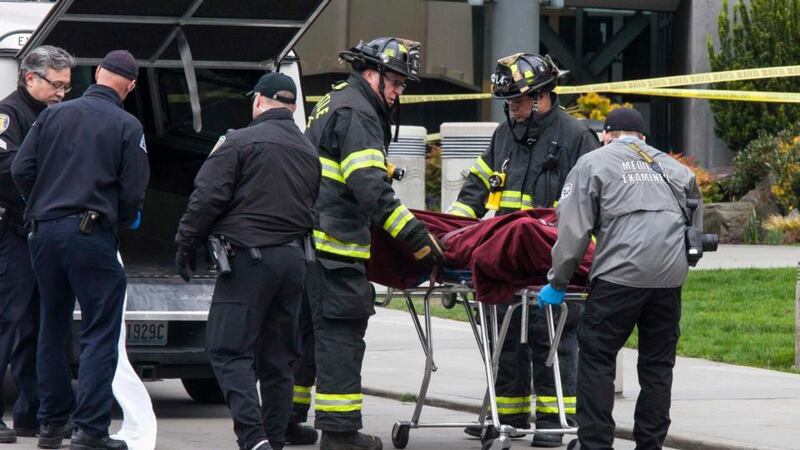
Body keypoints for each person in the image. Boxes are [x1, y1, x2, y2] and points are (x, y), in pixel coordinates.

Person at [450, 53, 599, 447]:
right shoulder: (504, 135)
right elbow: (476, 188)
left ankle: (554, 421)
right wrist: (456, 231)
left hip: (550, 260)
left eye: (517, 100)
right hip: (504, 261)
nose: (512, 108)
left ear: (542, 97)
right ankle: (509, 417)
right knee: (504, 338)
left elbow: (589, 206)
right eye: (509, 101)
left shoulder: (575, 137)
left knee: (551, 341)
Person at [304, 36, 445, 450]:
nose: (399, 92)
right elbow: (369, 184)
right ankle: (340, 433)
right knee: (341, 334)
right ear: (372, 74)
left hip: (310, 238)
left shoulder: (335, 100)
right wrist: (415, 236)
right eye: (397, 83)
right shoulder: (360, 113)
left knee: (305, 336)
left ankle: (287, 419)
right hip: (334, 242)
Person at [174, 72, 321, 450]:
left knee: (226, 349)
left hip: (249, 262)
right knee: (278, 359)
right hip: (293, 262)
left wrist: (187, 242)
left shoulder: (239, 141)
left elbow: (206, 197)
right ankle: (271, 439)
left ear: (258, 102)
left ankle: (253, 438)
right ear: (290, 107)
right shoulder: (308, 150)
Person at [540, 107, 701, 450]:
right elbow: (694, 228)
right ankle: (650, 445)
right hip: (668, 281)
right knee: (657, 366)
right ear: (643, 138)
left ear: (606, 135)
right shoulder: (676, 169)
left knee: (597, 359)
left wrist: (557, 282)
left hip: (619, 277)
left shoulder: (593, 163)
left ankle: (596, 444)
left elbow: (572, 231)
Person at [12, 49, 149, 450]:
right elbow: (133, 192)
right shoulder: (128, 125)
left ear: (98, 75)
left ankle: (51, 424)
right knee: (98, 330)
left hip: (42, 233)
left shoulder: (52, 115)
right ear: (131, 86)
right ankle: (90, 429)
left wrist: (41, 204)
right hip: (90, 234)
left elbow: (21, 169)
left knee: (51, 327)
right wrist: (119, 221)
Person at [0, 45, 73, 443]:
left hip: (42, 232)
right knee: (7, 322)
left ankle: (32, 413)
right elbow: (4, 170)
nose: (63, 92)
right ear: (31, 78)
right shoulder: (9, 114)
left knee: (39, 327)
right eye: (56, 84)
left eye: (66, 85)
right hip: (14, 232)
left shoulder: (53, 115)